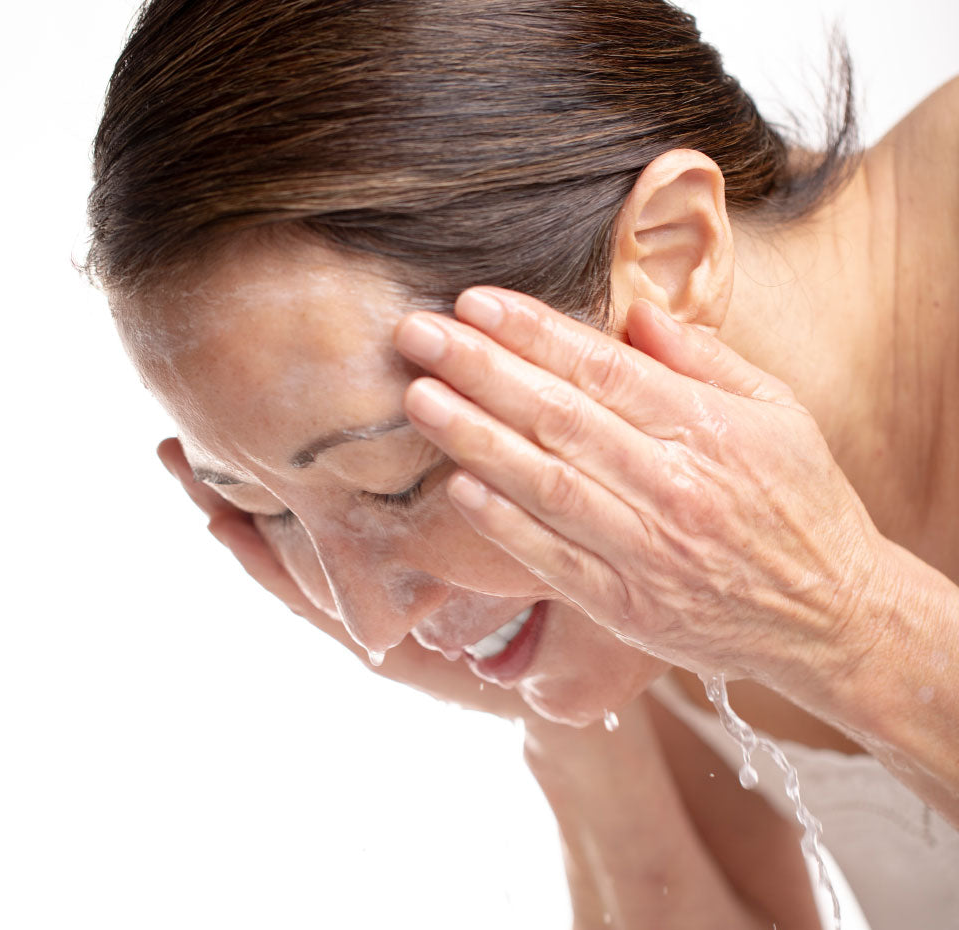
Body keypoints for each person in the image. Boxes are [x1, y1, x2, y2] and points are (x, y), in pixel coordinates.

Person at [86, 0, 959, 926]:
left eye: (397, 481)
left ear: (670, 255)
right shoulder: (663, 502)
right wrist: (561, 714)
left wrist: (848, 626)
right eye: (272, 510)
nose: (373, 628)